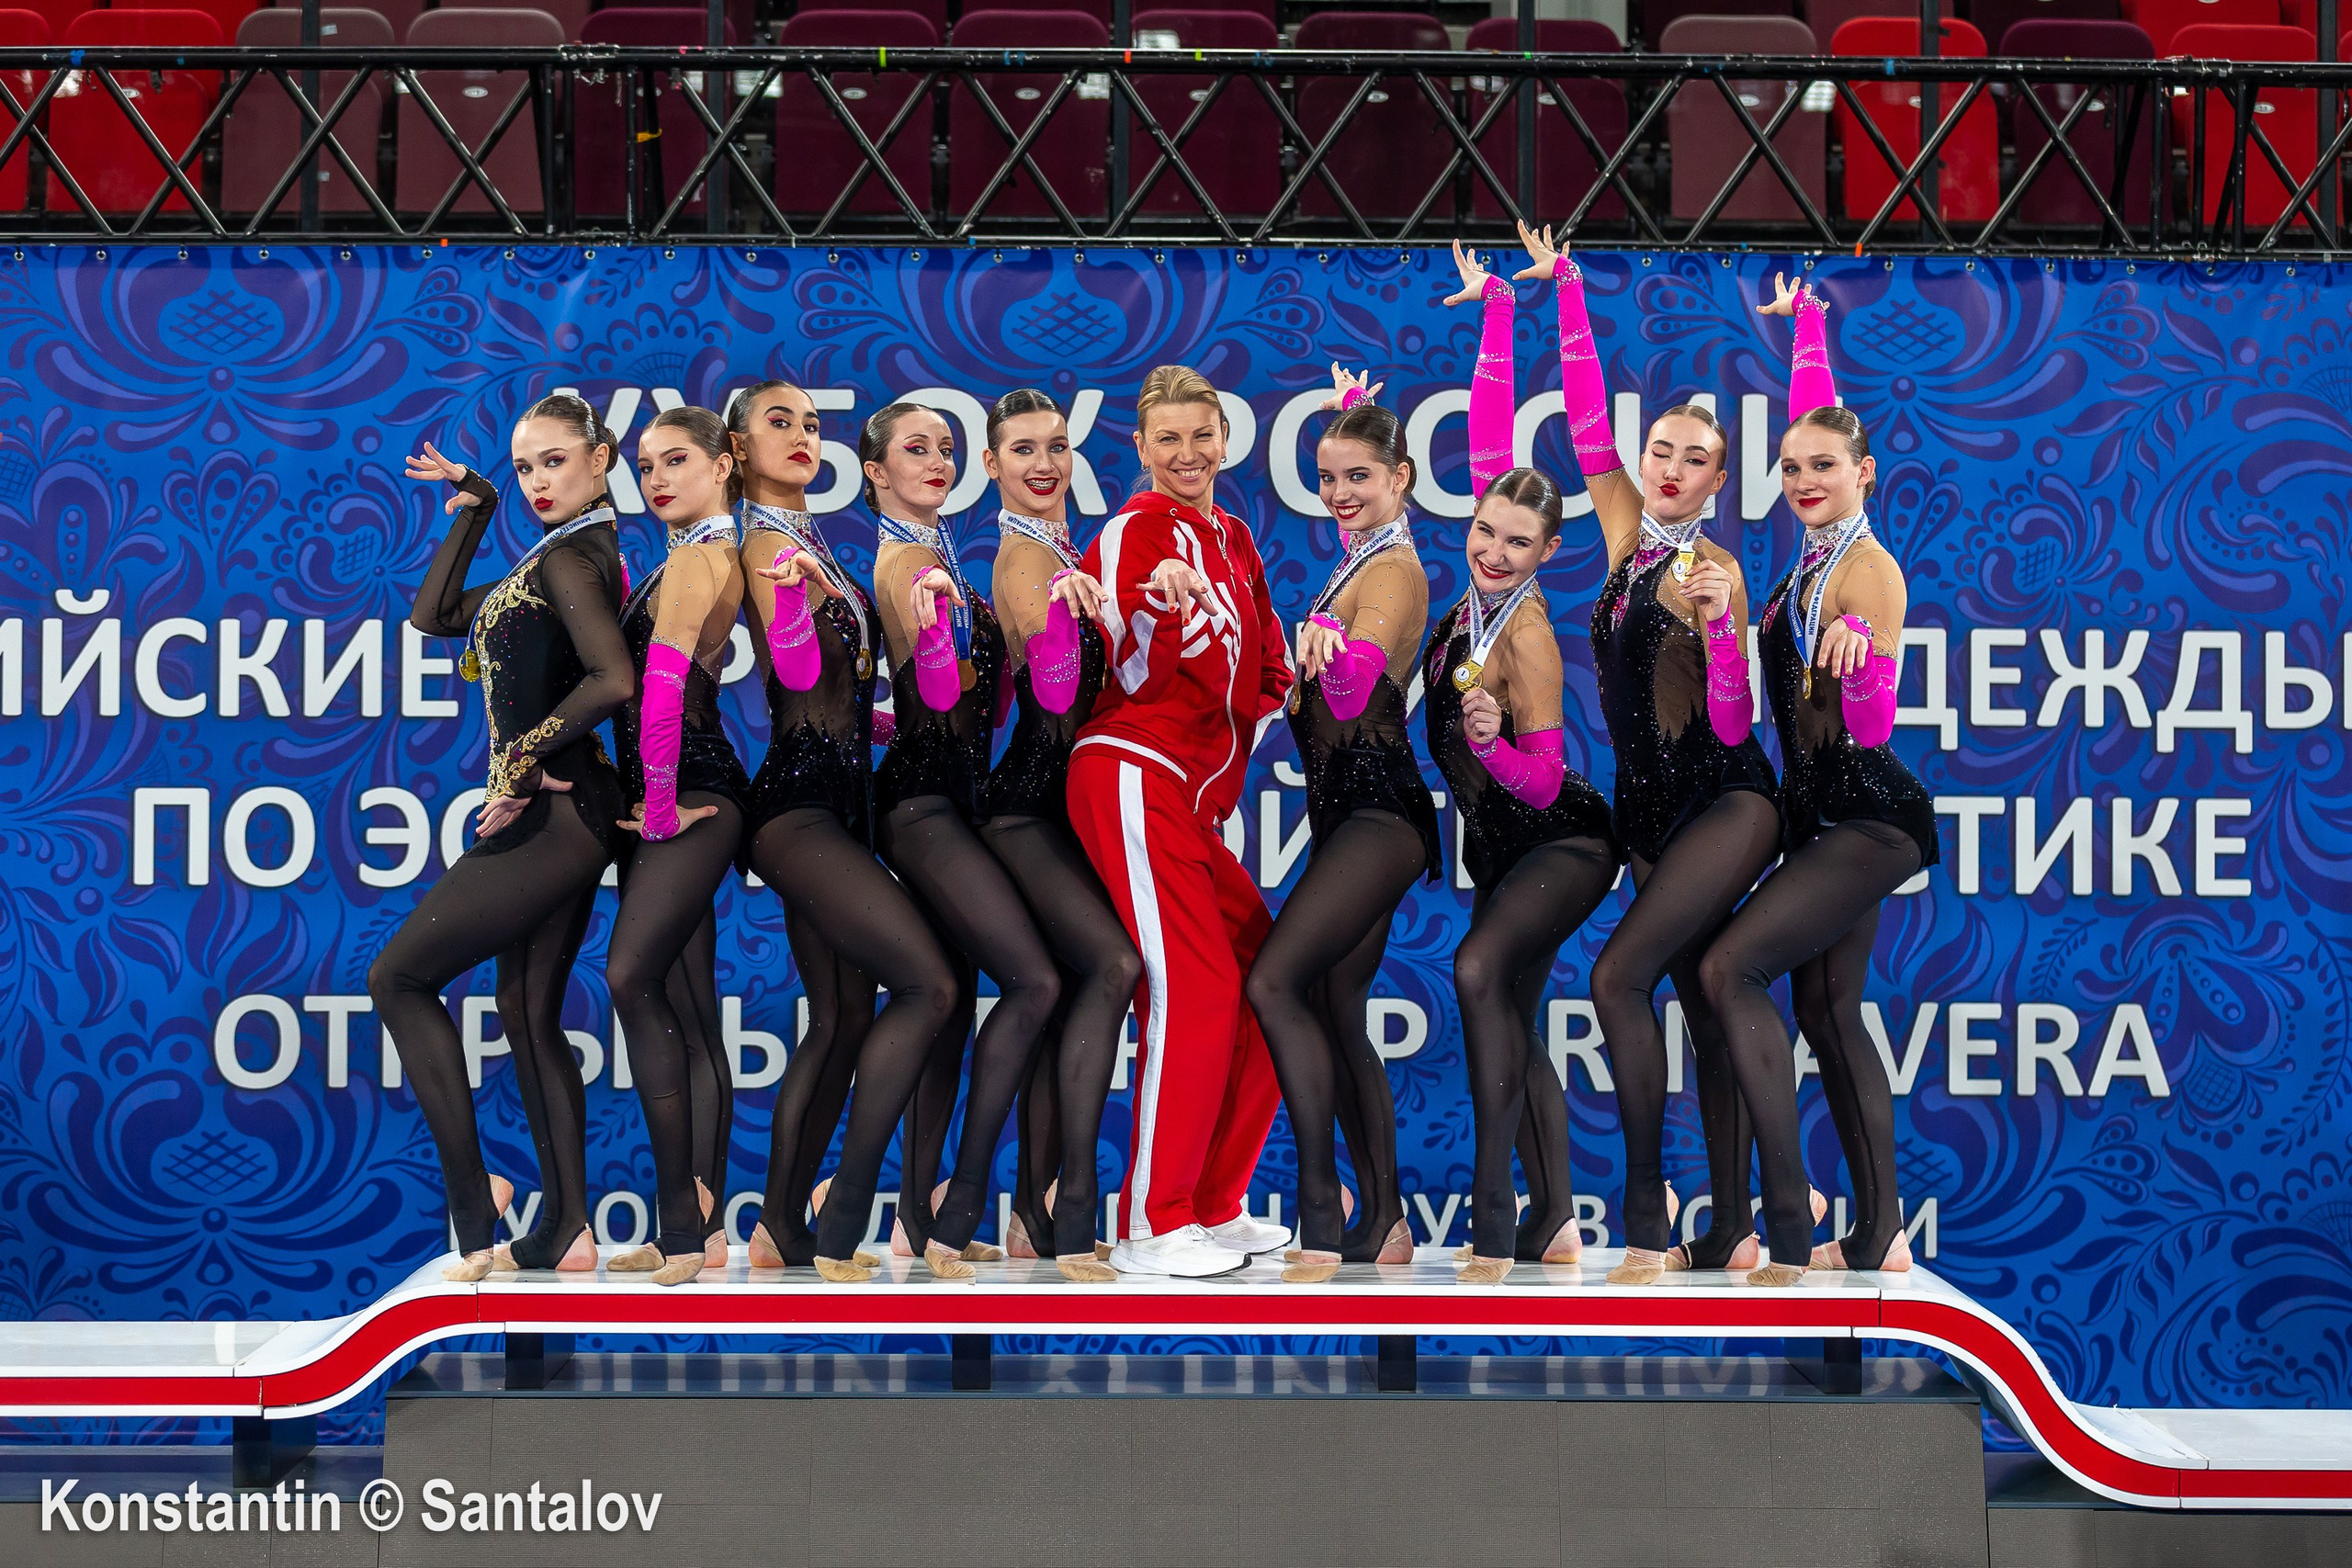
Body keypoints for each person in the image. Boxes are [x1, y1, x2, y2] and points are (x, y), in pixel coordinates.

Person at [1521, 220, 1792, 1287]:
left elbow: (1733, 725)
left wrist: (1726, 632)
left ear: (1720, 480)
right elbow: (1585, 418)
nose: (1670, 469)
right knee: (1697, 995)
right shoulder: (1629, 533)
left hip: (1725, 802)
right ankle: (1729, 1226)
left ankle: (1642, 1210)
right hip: (1648, 813)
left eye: (1694, 459)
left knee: (1618, 976)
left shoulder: (1710, 569)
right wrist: (1568, 293)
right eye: (1661, 452)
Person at [1695, 276, 1936, 1278]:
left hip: (1864, 822)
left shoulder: (1865, 570)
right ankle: (1876, 1234)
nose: (1802, 478)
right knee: (1829, 1014)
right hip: (1822, 820)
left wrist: (1861, 652)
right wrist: (1807, 333)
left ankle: (1783, 1218)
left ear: (1864, 473)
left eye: (1824, 466)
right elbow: (1813, 416)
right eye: (1790, 467)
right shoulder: (1806, 556)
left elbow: (1872, 723)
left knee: (1725, 971)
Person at [371, 394, 632, 1281]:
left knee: (398, 977)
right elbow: (437, 614)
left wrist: (520, 757)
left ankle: (477, 1203)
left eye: (554, 461)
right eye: (525, 468)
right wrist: (477, 504)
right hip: (568, 806)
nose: (538, 482)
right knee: (526, 1012)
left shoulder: (574, 561)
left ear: (601, 456)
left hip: (558, 812)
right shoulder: (553, 556)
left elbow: (612, 678)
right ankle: (565, 1224)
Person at [1066, 365, 1295, 1279]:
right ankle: (1153, 1223)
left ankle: (1213, 1202)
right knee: (1192, 990)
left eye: (1202, 436)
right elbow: (1116, 648)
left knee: (1276, 982)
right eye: (1169, 439)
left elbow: (1265, 667)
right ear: (1141, 448)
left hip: (1196, 800)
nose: (1188, 454)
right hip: (1132, 768)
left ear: (1225, 441)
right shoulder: (1134, 530)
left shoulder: (1234, 538)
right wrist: (1160, 594)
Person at [1427, 243, 1624, 1285]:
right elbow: (1492, 428)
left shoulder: (1529, 635)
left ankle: (1496, 1221)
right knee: (1507, 1008)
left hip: (1560, 838)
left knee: (1475, 974)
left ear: (1550, 552)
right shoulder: (1473, 595)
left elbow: (1546, 786)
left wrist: (1496, 747)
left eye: (1517, 542)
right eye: (1485, 531)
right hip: (1503, 848)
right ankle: (1554, 1219)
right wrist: (1503, 308)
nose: (1494, 550)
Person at [729, 381, 957, 1274]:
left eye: (810, 422)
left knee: (839, 1020)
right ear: (738, 452)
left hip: (835, 806)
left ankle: (782, 1226)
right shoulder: (761, 541)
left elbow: (845, 694)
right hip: (797, 812)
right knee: (929, 985)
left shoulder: (807, 538)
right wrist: (789, 606)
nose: (800, 434)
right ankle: (839, 1216)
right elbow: (790, 664)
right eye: (778, 423)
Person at [836, 401, 1062, 1282]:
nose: (935, 461)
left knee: (954, 1003)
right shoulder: (906, 559)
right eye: (915, 450)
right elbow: (939, 686)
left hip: (943, 797)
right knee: (1034, 980)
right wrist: (936, 635)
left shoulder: (939, 555)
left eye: (945, 448)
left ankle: (917, 1216)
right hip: (924, 811)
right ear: (877, 474)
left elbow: (939, 705)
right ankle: (929, 1201)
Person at [1246, 364, 1434, 1283]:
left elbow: (1357, 684)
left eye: (1359, 476)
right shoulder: (1355, 562)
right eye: (1328, 478)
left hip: (1378, 814)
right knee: (1331, 1003)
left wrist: (1328, 652)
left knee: (1275, 983)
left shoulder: (1394, 569)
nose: (1338, 493)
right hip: (1348, 817)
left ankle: (1323, 1209)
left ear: (1401, 478)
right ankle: (1385, 1219)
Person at [976, 389, 1140, 1282]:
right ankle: (1073, 1210)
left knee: (1075, 995)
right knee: (1113, 968)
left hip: (1063, 806)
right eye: (1022, 449)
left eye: (1056, 445)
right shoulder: (1022, 557)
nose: (1043, 462)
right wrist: (1099, 613)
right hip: (1030, 808)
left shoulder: (1063, 551)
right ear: (994, 466)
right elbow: (1051, 697)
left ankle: (1033, 1213)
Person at [601, 407, 752, 1288]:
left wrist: (659, 806)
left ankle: (687, 1224)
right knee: (691, 1011)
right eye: (647, 464)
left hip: (690, 793)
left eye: (678, 460)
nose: (656, 478)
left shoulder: (702, 555)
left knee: (633, 977)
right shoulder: (686, 551)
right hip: (672, 792)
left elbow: (662, 691)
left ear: (725, 462)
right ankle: (693, 1222)